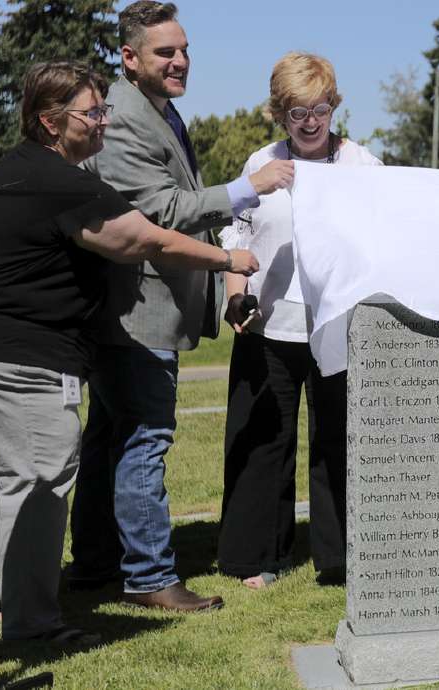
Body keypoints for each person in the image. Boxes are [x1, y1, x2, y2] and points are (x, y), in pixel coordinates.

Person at [0, 60, 258, 644]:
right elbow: (141, 238)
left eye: (103, 109)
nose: (103, 121)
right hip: (15, 349)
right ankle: (34, 626)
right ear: (51, 122)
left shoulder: (14, 170)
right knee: (39, 478)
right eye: (91, 112)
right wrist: (228, 260)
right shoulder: (62, 181)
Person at [69, 1, 293, 612]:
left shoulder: (157, 111)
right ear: (130, 57)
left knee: (111, 435)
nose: (180, 61)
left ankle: (92, 564)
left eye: (185, 49)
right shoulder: (121, 120)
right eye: (166, 52)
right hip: (136, 309)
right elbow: (161, 210)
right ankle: (148, 575)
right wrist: (250, 188)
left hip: (136, 308)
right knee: (146, 436)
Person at [216, 52, 382, 589]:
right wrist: (235, 295)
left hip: (339, 326)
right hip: (268, 327)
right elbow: (236, 237)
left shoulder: (363, 166)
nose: (310, 122)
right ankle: (258, 556)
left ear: (334, 106)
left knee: (341, 441)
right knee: (264, 440)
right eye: (295, 112)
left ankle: (342, 557)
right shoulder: (259, 162)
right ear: (278, 113)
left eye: (319, 109)